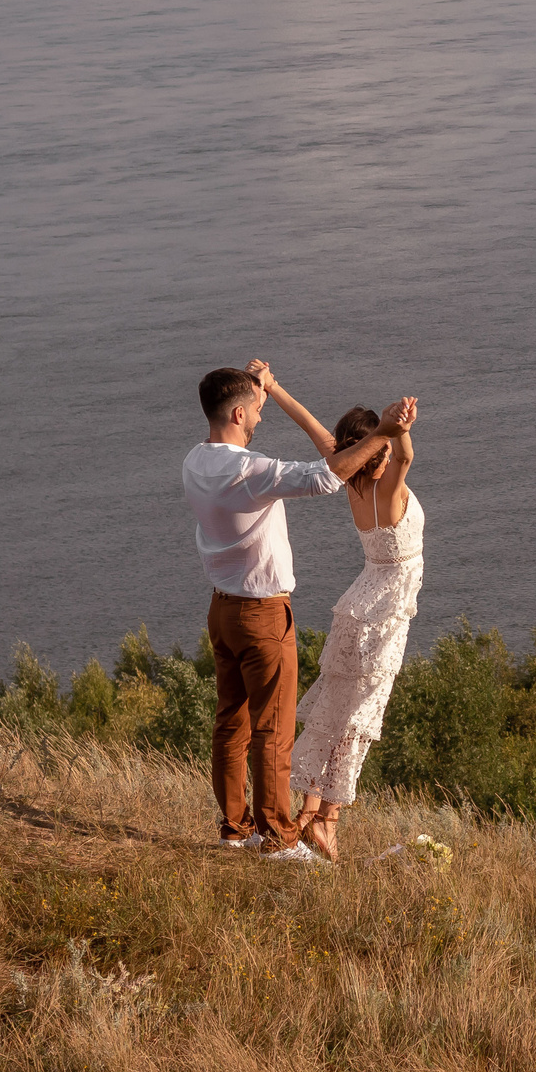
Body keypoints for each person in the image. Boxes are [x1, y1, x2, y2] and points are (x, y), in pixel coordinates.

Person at [182, 363, 402, 857]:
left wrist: (268, 389)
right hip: (261, 616)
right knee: (273, 731)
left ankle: (235, 830)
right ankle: (278, 839)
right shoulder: (249, 472)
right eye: (256, 411)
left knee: (230, 724)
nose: (260, 417)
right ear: (238, 413)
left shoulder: (195, 462)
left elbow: (299, 453)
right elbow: (326, 479)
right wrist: (385, 431)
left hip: (221, 611)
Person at [277, 395, 423, 862]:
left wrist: (274, 386)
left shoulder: (348, 478)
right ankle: (327, 825)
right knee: (357, 721)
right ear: (377, 450)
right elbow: (406, 456)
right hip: (385, 618)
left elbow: (313, 428)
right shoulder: (388, 487)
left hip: (357, 604)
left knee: (335, 714)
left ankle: (307, 815)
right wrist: (398, 427)